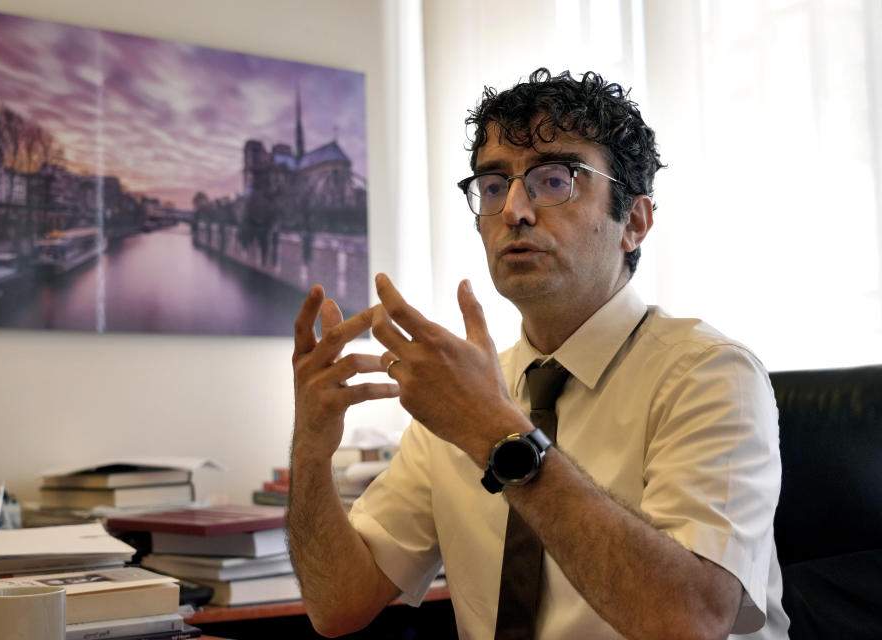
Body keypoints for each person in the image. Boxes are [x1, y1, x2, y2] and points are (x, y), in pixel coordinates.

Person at [288, 68, 789, 639]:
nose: (514, 211)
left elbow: (692, 621)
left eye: (554, 181)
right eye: (495, 186)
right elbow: (338, 605)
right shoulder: (467, 390)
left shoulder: (711, 373)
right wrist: (310, 447)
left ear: (635, 222)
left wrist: (494, 433)